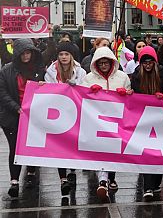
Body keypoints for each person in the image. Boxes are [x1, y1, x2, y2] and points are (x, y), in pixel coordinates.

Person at [80, 46, 132, 202]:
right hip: (97, 121)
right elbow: (80, 95)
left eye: (106, 63)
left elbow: (131, 94)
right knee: (100, 150)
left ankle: (110, 178)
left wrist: (126, 93)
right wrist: (90, 91)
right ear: (96, 63)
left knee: (113, 151)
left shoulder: (122, 77)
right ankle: (102, 180)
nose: (103, 66)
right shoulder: (89, 78)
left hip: (116, 120)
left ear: (111, 63)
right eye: (100, 63)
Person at [0, 39, 46, 197]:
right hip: (12, 116)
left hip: (33, 115)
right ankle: (14, 181)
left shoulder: (39, 69)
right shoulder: (7, 70)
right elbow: (2, 93)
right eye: (23, 53)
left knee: (32, 145)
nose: (26, 56)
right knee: (15, 147)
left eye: (29, 52)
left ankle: (31, 173)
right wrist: (16, 108)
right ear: (17, 54)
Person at [44, 41, 86, 197]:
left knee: (72, 144)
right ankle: (62, 179)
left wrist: (75, 87)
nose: (63, 57)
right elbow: (49, 90)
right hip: (58, 114)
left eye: (66, 54)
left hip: (75, 113)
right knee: (59, 147)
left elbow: (85, 88)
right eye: (61, 54)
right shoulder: (50, 71)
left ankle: (72, 170)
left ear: (71, 56)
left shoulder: (80, 72)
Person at [130, 46, 163, 201]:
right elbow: (135, 95)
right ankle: (147, 186)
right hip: (143, 118)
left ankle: (155, 184)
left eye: (150, 62)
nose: (147, 65)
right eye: (144, 62)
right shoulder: (136, 74)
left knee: (159, 152)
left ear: (155, 62)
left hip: (161, 118)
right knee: (146, 152)